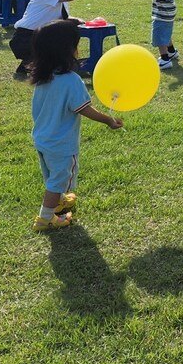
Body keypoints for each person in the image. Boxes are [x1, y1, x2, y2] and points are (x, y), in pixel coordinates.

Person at [29, 19, 123, 231]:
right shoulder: (71, 80)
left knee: (53, 175)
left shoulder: (43, 76)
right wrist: (108, 120)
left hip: (43, 139)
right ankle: (45, 219)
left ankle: (58, 201)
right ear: (67, 50)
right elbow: (84, 109)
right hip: (61, 144)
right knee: (58, 180)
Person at [11, 0, 88, 78]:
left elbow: (53, 15)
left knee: (69, 27)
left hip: (32, 36)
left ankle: (33, 62)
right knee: (69, 33)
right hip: (28, 39)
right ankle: (35, 61)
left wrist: (71, 19)